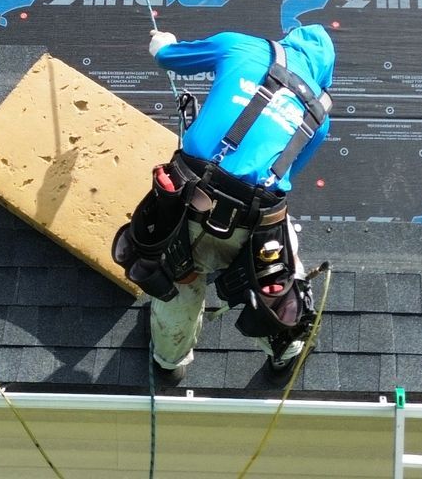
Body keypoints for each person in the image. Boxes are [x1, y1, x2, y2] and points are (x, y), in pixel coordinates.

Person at [110, 24, 336, 384]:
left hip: (188, 202)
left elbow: (171, 59)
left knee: (178, 279)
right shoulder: (319, 116)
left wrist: (162, 45)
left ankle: (170, 363)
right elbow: (286, 174)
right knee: (271, 285)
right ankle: (285, 348)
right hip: (256, 223)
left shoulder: (240, 46)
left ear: (285, 42)